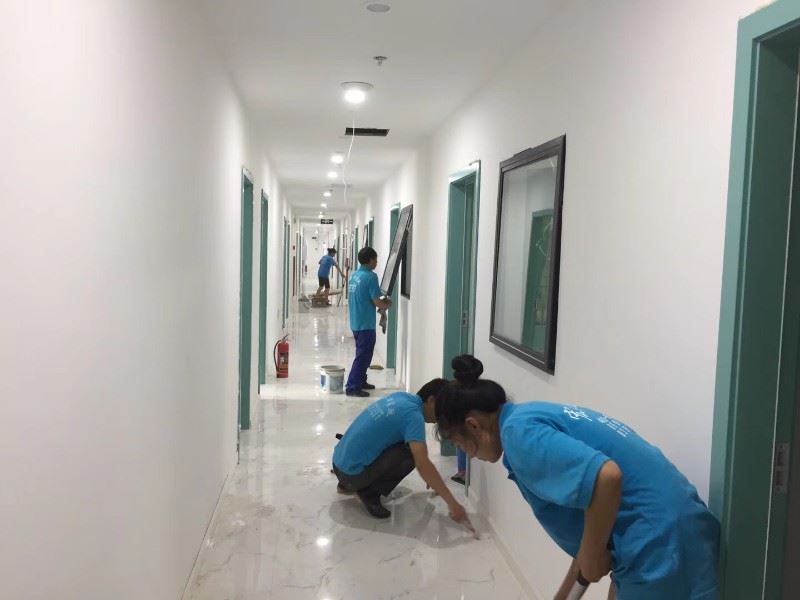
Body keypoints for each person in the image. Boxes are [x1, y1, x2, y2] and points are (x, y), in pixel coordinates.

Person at [435, 354, 720, 600]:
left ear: (473, 425)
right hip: (665, 532)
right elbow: (589, 539)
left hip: (658, 544)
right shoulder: (527, 416)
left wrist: (592, 555)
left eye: (460, 444)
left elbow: (607, 477)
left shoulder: (519, 435)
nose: (468, 455)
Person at [332, 379, 474, 530]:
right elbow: (422, 463)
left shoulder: (401, 397)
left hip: (338, 464)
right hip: (351, 475)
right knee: (411, 454)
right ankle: (369, 492)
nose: (438, 420)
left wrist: (430, 475)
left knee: (406, 444)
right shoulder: (413, 416)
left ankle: (348, 483)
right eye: (442, 412)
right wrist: (453, 504)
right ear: (431, 400)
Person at [345, 246, 390, 397]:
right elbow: (376, 301)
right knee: (363, 356)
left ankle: (361, 380)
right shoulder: (371, 277)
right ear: (370, 260)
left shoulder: (354, 276)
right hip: (365, 324)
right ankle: (352, 387)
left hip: (356, 321)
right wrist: (387, 305)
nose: (376, 262)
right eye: (375, 260)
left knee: (364, 354)